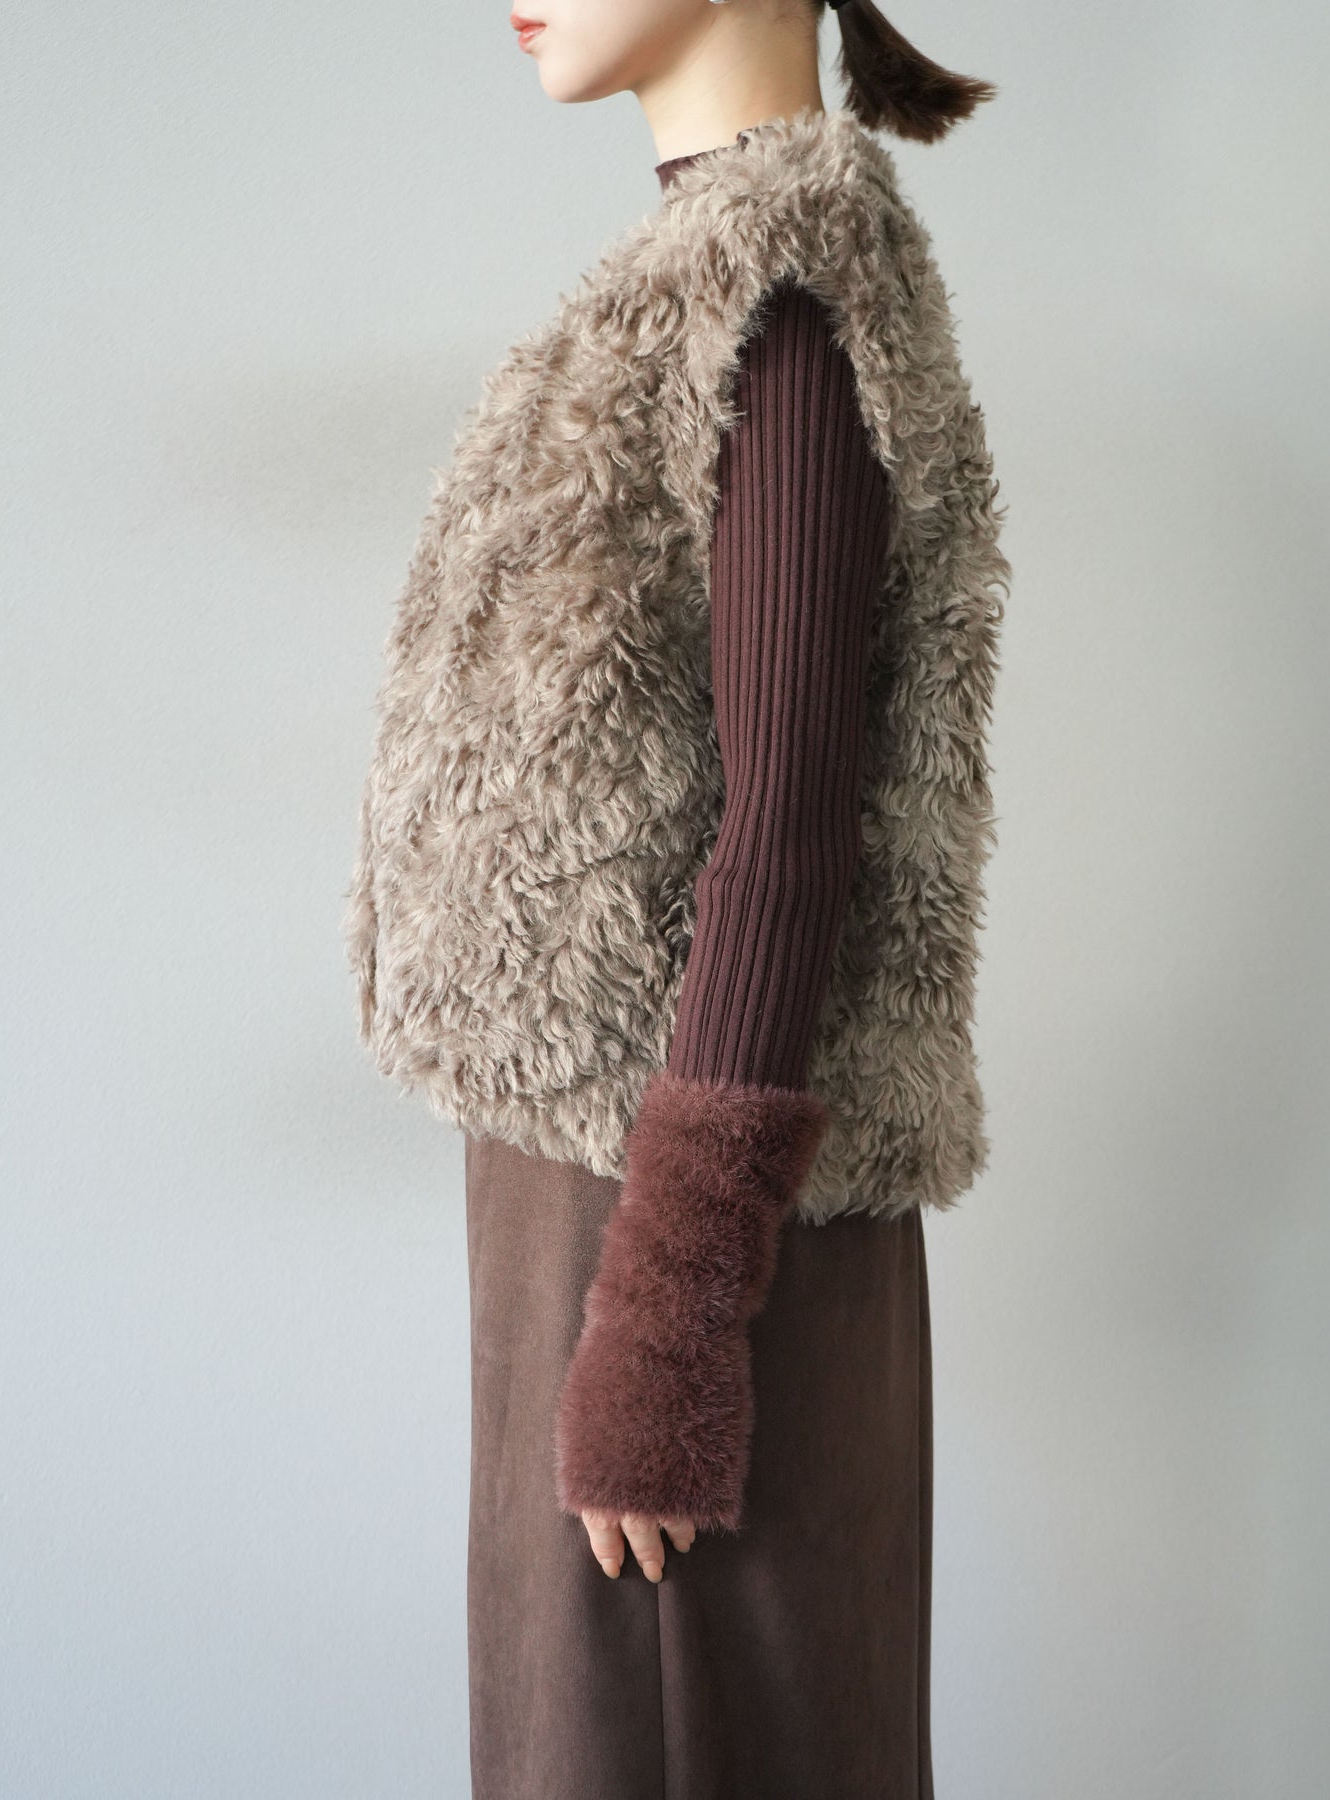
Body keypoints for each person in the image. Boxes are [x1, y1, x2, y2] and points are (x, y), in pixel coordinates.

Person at [344, 2, 1009, 1793]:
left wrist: (666, 1323)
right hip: (616, 1174)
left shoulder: (778, 288)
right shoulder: (704, 280)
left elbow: (790, 824)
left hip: (683, 1199)